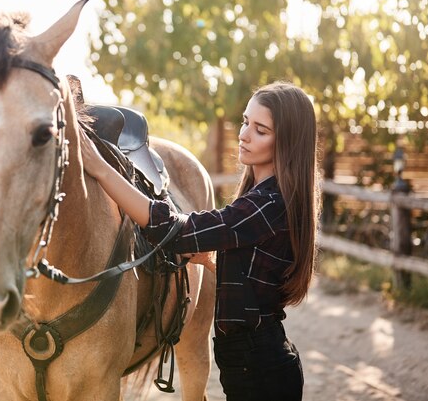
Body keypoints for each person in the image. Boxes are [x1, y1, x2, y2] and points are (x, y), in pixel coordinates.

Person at [79, 81, 319, 401]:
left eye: (261, 130)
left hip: (259, 372)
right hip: (253, 363)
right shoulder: (267, 199)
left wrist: (101, 169)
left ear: (286, 142)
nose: (244, 135)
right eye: (246, 122)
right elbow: (256, 273)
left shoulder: (268, 203)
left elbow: (171, 228)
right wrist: (212, 260)